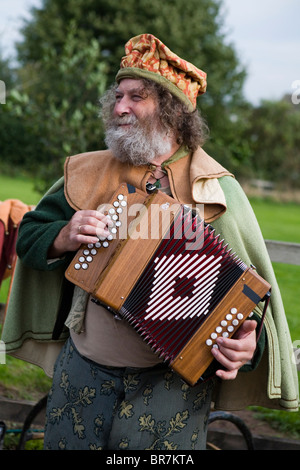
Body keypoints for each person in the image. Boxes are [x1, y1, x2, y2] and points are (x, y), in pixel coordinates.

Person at [2, 34, 298, 451]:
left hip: (171, 388)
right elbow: (30, 234)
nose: (119, 107)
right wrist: (62, 235)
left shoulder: (218, 190)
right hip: (83, 372)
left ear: (173, 111)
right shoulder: (88, 171)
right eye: (118, 95)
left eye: (136, 97)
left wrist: (250, 343)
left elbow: (252, 300)